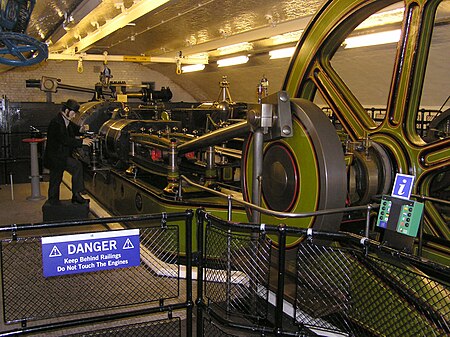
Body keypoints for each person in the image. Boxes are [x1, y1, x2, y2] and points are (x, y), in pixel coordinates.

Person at [44, 99, 93, 205]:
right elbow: (64, 140)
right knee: (57, 179)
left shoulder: (66, 121)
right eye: (73, 113)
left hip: (61, 156)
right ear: (66, 110)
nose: (74, 115)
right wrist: (82, 141)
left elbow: (75, 129)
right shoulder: (57, 122)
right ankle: (54, 203)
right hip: (55, 157)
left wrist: (83, 129)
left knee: (74, 168)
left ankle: (74, 195)